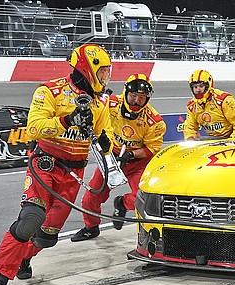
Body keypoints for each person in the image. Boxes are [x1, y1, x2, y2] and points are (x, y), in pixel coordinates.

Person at [0, 43, 113, 285]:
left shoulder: (101, 102)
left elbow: (106, 137)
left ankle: (24, 257)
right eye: (102, 72)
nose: (105, 78)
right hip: (45, 164)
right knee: (30, 219)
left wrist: (103, 139)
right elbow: (34, 129)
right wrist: (68, 120)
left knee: (46, 235)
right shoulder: (49, 91)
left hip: (74, 171)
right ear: (87, 69)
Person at [71, 73, 166, 242]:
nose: (136, 101)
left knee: (143, 197)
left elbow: (152, 148)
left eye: (141, 98)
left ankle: (121, 204)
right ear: (126, 93)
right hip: (111, 157)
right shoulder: (110, 104)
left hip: (138, 162)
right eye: (133, 96)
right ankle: (91, 227)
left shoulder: (155, 121)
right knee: (90, 198)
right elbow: (93, 113)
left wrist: (131, 154)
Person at [183, 69, 235, 141]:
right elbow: (190, 127)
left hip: (230, 137)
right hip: (213, 139)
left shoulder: (224, 100)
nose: (198, 90)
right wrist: (190, 139)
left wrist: (232, 140)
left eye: (201, 86)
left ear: (208, 86)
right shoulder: (192, 106)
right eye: (195, 87)